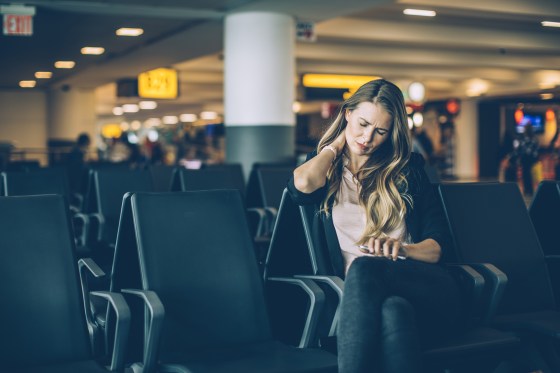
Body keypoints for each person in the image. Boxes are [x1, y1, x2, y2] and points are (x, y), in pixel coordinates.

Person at [288, 79, 464, 372]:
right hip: (365, 302)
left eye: (380, 131)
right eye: (362, 123)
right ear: (347, 114)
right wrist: (334, 148)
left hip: (422, 286)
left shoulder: (408, 169)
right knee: (393, 312)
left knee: (366, 267)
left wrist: (403, 249)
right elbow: (302, 185)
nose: (367, 137)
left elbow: (438, 248)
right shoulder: (323, 168)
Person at [515, 123, 540, 196]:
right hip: (532, 160)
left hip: (525, 159)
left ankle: (527, 191)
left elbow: (520, 150)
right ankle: (531, 191)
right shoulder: (534, 139)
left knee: (525, 175)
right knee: (531, 175)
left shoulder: (523, 139)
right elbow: (536, 150)